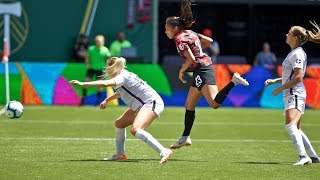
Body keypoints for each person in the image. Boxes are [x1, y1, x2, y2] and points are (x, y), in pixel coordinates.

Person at [165, 0, 249, 149]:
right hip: (201, 68)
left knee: (214, 104)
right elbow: (209, 41)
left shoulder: (179, 39)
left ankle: (233, 82)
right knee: (189, 104)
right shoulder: (190, 33)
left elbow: (190, 59)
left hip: (203, 70)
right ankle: (185, 137)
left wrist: (181, 70)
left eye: (167, 28)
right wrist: (198, 51)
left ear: (175, 28)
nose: (166, 31)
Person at [70, 57, 173, 164]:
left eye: (108, 67)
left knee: (136, 129)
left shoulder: (122, 76)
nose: (106, 69)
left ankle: (163, 151)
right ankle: (120, 155)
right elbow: (120, 92)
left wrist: (83, 84)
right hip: (142, 104)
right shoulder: (124, 75)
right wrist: (107, 100)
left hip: (151, 102)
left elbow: (105, 84)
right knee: (119, 123)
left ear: (112, 68)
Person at [264, 21, 320, 165]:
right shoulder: (294, 53)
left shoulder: (297, 54)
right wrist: (275, 81)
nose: (286, 35)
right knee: (296, 127)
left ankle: (303, 156)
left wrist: (279, 88)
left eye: (289, 33)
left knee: (290, 125)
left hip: (294, 93)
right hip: (292, 92)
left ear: (295, 37)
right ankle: (313, 156)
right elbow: (290, 76)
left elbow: (298, 77)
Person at [82, 35, 111, 105]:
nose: (99, 42)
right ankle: (83, 100)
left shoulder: (105, 50)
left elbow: (108, 60)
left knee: (99, 85)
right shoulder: (91, 49)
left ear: (103, 42)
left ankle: (98, 102)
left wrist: (107, 68)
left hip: (100, 69)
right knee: (85, 83)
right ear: (95, 42)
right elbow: (87, 58)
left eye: (100, 41)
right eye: (97, 41)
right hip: (91, 68)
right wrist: (88, 65)